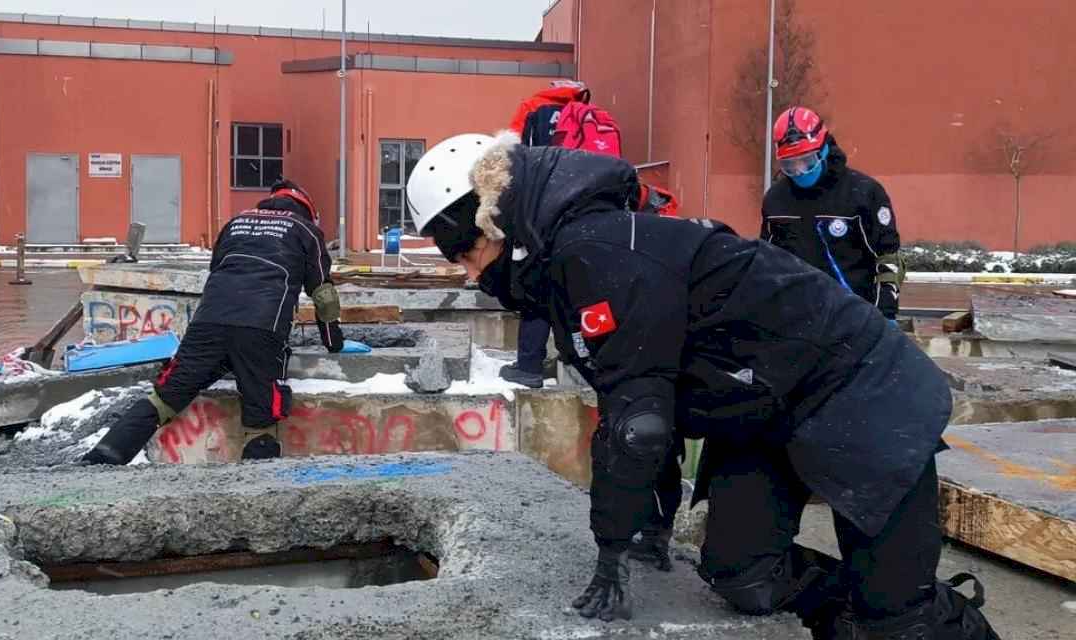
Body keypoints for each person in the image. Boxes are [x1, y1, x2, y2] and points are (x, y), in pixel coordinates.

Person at [403, 131, 999, 639]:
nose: (466, 269)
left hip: (856, 385)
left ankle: (921, 618)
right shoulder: (566, 265)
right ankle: (854, 620)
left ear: (493, 220)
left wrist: (613, 545)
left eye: (462, 248)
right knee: (744, 575)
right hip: (761, 405)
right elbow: (635, 391)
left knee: (897, 613)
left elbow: (640, 425)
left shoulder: (597, 252)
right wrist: (652, 520)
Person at [81, 179, 343, 465]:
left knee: (166, 397)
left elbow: (217, 271)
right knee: (262, 411)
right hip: (262, 328)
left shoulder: (236, 223)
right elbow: (324, 295)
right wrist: (333, 342)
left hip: (208, 323)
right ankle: (258, 487)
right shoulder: (306, 230)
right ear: (307, 209)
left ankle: (102, 458)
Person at [762, 106, 904, 323]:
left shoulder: (864, 194)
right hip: (796, 321)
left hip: (856, 318)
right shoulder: (776, 201)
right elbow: (768, 262)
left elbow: (887, 257)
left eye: (807, 161)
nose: (800, 171)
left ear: (823, 149)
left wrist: (885, 313)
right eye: (790, 165)